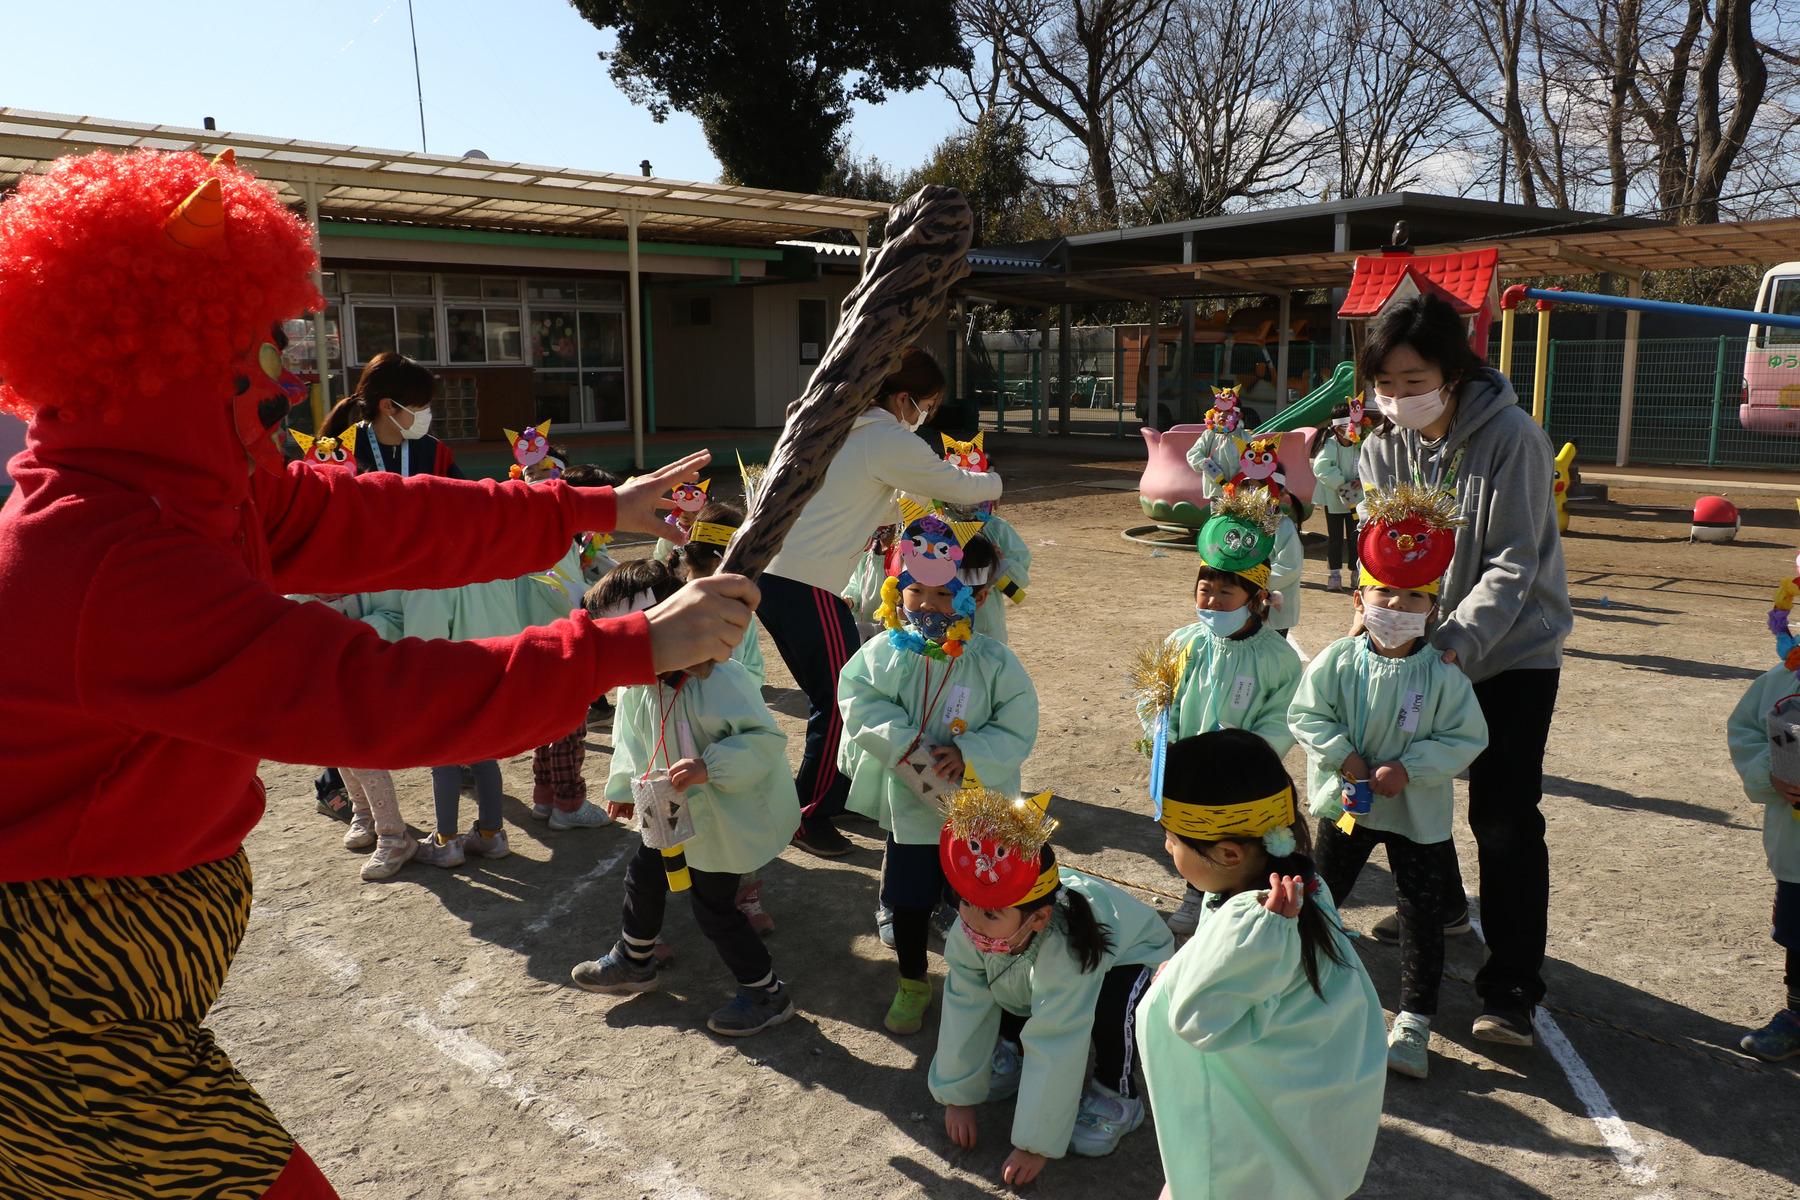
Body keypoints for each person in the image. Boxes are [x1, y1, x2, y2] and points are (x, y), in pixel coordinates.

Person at [0, 148, 756, 1199]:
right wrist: (627, 647)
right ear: (182, 349)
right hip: (45, 1012)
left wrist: (595, 508)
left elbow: (389, 516)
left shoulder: (188, 487)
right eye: (268, 341)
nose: (293, 370)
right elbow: (373, 697)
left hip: (105, 974)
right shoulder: (112, 554)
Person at [1357, 292, 1572, 1046]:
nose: (1397, 398)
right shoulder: (1381, 445)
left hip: (1511, 653)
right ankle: (1444, 903)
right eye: (1385, 383)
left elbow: (1515, 562)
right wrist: (1378, 621)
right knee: (1408, 786)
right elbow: (1378, 549)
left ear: (1452, 371)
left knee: (1504, 817)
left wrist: (1450, 646)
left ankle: (1511, 986)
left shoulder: (1512, 437)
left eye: (1412, 380)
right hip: (1418, 648)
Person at [761, 347, 1002, 857]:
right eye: (927, 406)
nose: (926, 417)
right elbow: (953, 484)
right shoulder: (881, 435)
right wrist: (992, 481)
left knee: (845, 692)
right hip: (806, 581)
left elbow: (887, 497)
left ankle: (834, 790)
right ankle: (809, 813)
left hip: (782, 574)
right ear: (902, 397)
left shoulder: (836, 422)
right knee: (841, 699)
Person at [1289, 486, 1489, 1078]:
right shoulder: (1338, 660)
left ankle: (1415, 1023)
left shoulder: (1445, 676)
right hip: (1347, 807)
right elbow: (1306, 714)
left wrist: (1413, 769)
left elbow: (1464, 738)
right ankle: (1299, 991)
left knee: (1420, 914)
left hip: (1416, 819)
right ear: (1361, 596)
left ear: (1432, 607)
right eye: (1385, 592)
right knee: (1323, 895)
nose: (1396, 605)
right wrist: (1342, 757)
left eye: (1412, 596)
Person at [1136, 730, 1386, 1200]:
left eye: (1172, 839)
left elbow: (1194, 1017)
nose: (1168, 848)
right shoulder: (1301, 887)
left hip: (1248, 1162)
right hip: (1284, 1138)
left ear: (1229, 853)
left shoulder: (1257, 927)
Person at [570, 560, 801, 1037]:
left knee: (713, 905)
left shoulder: (722, 678)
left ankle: (767, 992)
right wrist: (622, 788)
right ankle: (635, 960)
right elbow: (631, 738)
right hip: (668, 810)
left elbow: (765, 741)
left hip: (721, 814)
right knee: (645, 873)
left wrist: (709, 767)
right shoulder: (642, 683)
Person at [837, 510, 1038, 1035]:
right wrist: (903, 743)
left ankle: (992, 979)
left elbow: (1018, 723)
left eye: (945, 596)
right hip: (913, 806)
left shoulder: (992, 661)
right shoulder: (882, 654)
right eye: (917, 595)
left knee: (981, 897)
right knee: (909, 900)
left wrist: (971, 750)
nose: (930, 606)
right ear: (896, 595)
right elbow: (858, 698)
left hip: (977, 804)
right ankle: (911, 981)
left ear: (970, 600)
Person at [931, 789, 1173, 1186]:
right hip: (1028, 949)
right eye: (966, 902)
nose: (972, 921)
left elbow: (1059, 1036)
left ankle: (1117, 1095)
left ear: (1040, 917)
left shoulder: (1066, 946)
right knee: (1004, 971)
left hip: (1135, 960)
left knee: (1110, 1007)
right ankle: (1011, 1048)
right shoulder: (980, 924)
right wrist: (958, 1095)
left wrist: (1035, 1143)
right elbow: (965, 1004)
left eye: (989, 913)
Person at [309, 351, 463, 821]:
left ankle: (465, 756)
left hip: (418, 584)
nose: (425, 414)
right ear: (387, 405)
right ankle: (347, 795)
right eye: (418, 404)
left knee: (428, 678)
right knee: (349, 692)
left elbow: (461, 505)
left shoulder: (432, 450)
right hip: (356, 587)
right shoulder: (336, 449)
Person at [1156, 487, 1303, 939]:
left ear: (1255, 596)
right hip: (1191, 764)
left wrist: (1251, 750)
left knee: (1238, 840)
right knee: (1194, 832)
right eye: (1205, 590)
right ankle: (1192, 891)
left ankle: (1242, 901)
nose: (1213, 601)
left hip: (1242, 772)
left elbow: (1284, 714)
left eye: (1226, 592)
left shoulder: (1277, 656)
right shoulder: (1184, 643)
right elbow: (1158, 698)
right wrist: (1164, 739)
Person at [673, 499, 776, 934]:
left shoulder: (740, 612)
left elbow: (751, 669)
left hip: (728, 725)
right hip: (681, 724)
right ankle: (692, 886)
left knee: (734, 808)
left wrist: (725, 680)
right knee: (684, 810)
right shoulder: (671, 602)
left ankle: (745, 893)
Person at [517, 447, 617, 832]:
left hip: (541, 637)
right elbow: (562, 594)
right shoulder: (556, 540)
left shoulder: (556, 533)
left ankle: (545, 796)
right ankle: (569, 803)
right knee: (568, 726)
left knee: (548, 724)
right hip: (560, 639)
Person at [1724, 590, 1800, 1061]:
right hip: (1796, 847)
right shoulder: (1783, 678)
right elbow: (1746, 729)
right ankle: (1796, 1014)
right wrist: (1769, 772)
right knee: (1798, 930)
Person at [321, 351, 462, 479]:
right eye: (421, 406)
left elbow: (464, 497)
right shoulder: (336, 453)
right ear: (388, 406)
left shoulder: (434, 451)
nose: (427, 412)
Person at [1310, 401, 1365, 592]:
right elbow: (1321, 467)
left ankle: (1355, 572)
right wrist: (1342, 484)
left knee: (1354, 535)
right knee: (1334, 538)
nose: (1353, 429)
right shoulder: (1330, 444)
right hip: (1334, 499)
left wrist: (1360, 479)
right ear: (1337, 428)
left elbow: (1366, 465)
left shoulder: (1359, 445)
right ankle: (1334, 574)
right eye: (1348, 425)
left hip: (1355, 499)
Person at [843, 523, 899, 644]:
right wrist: (850, 601)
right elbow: (855, 585)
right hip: (862, 628)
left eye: (891, 526)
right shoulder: (866, 556)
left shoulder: (898, 556)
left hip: (887, 633)